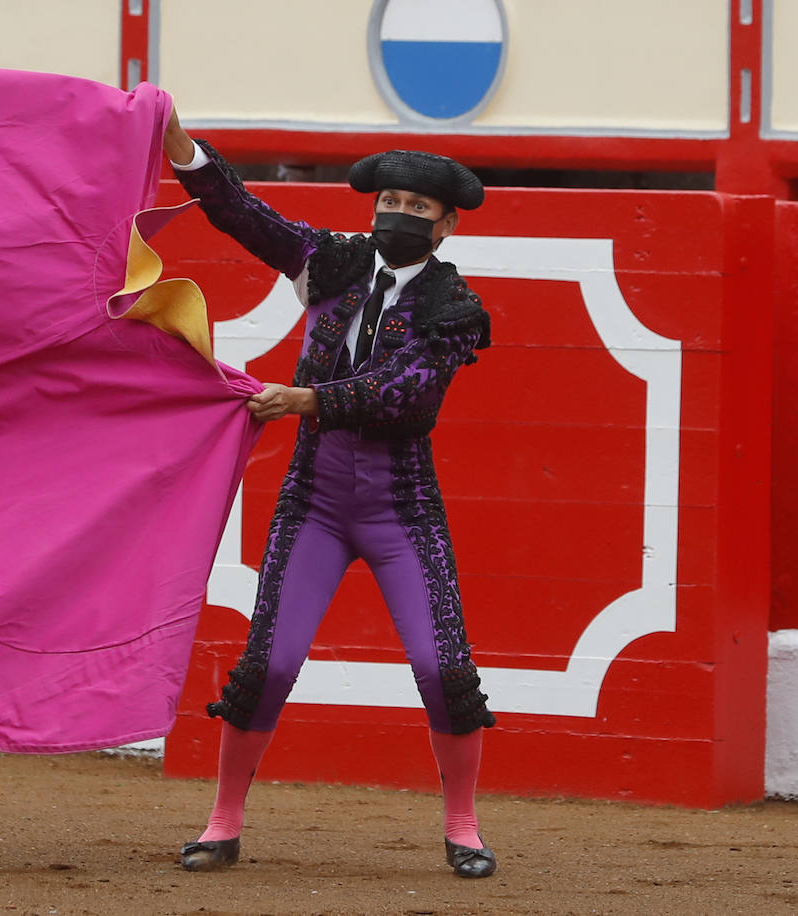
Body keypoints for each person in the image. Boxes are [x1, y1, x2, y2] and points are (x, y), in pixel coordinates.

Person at [163, 110, 499, 879]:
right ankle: (222, 821)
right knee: (268, 665)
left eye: (418, 210)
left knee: (443, 668)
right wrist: (185, 151)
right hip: (313, 500)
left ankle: (463, 825)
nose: (399, 216)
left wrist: (306, 401)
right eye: (390, 203)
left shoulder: (455, 307)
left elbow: (411, 396)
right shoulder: (334, 263)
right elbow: (245, 216)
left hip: (403, 510)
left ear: (445, 226)